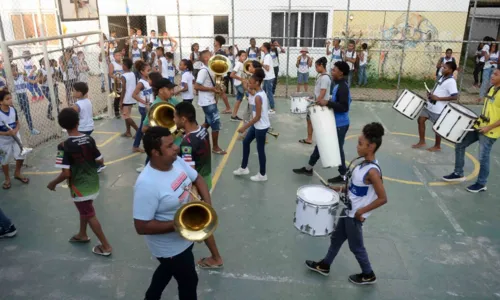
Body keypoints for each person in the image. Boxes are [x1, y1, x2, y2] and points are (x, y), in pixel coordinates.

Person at [133, 126, 213, 300]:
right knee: (189, 282)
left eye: (174, 142)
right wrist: (182, 223)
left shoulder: (175, 160)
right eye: (169, 146)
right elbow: (141, 226)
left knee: (166, 271)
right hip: (170, 248)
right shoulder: (146, 185)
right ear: (155, 152)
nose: (176, 147)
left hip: (186, 237)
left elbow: (197, 178)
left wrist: (207, 207)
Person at [305, 122, 387, 285]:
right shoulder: (362, 164)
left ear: (371, 147)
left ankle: (368, 274)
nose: (357, 147)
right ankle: (325, 265)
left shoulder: (372, 171)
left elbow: (382, 198)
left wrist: (361, 212)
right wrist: (338, 189)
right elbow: (355, 187)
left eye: (360, 144)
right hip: (348, 211)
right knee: (336, 238)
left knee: (356, 247)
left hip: (355, 215)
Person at [48, 107, 112, 257]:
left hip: (79, 187)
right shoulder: (89, 139)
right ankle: (82, 234)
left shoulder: (63, 146)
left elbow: (66, 173)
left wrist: (53, 183)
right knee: (85, 209)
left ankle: (106, 245)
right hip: (93, 182)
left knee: (89, 213)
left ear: (62, 126)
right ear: (78, 122)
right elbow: (100, 159)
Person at [174, 101, 224, 268]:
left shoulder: (187, 142)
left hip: (196, 185)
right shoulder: (202, 130)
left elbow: (190, 171)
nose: (173, 120)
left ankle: (216, 257)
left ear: (183, 119)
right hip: (207, 177)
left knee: (201, 222)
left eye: (175, 117)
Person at [293, 61, 352, 184]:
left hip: (340, 124)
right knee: (320, 144)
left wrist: (328, 103)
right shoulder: (338, 84)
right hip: (334, 122)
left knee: (338, 148)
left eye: (334, 70)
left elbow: (344, 107)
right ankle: (309, 168)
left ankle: (343, 175)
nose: (332, 71)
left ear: (341, 72)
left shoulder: (342, 87)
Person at [442, 67, 500, 193]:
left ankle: (481, 183)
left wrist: (488, 127)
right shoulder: (491, 89)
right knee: (460, 143)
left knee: (483, 158)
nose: (492, 76)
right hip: (479, 126)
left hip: (489, 132)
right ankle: (458, 172)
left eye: (495, 74)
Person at [412, 61, 458, 152]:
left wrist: (438, 98)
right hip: (430, 105)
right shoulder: (442, 77)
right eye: (443, 67)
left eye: (445, 68)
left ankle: (437, 146)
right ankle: (422, 141)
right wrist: (431, 94)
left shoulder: (451, 82)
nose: (442, 69)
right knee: (420, 120)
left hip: (438, 108)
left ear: (451, 70)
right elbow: (439, 89)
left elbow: (455, 96)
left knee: (437, 127)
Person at [233, 68, 270, 182]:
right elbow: (250, 90)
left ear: (257, 83)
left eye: (251, 82)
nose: (249, 83)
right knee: (245, 142)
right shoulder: (258, 92)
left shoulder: (259, 97)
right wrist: (246, 85)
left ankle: (262, 174)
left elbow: (257, 117)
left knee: (260, 150)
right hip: (257, 126)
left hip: (261, 127)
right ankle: (244, 168)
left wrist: (244, 127)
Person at [195, 50, 227, 155]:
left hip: (210, 100)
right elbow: (197, 86)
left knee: (208, 122)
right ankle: (215, 147)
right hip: (207, 101)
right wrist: (212, 89)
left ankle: (193, 136)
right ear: (206, 58)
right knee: (215, 124)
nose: (213, 56)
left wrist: (220, 88)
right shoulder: (203, 71)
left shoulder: (210, 69)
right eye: (210, 55)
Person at [71, 82, 106, 173]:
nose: (72, 92)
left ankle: (96, 164)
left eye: (74, 91)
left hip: (82, 128)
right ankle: (96, 163)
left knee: (83, 148)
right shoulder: (87, 100)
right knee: (85, 146)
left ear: (79, 93)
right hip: (89, 126)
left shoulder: (77, 105)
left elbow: (72, 116)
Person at [0, 90, 30, 190]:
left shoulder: (13, 110)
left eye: (10, 98)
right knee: (5, 159)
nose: (10, 100)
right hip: (3, 140)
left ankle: (17, 173)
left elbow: (17, 123)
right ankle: (7, 178)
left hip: (15, 137)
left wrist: (16, 130)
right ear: (1, 101)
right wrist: (6, 133)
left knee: (21, 154)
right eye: (7, 99)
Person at [299, 57, 331, 145]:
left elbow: (323, 91)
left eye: (316, 67)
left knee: (316, 122)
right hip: (317, 101)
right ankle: (309, 138)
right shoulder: (321, 76)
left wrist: (316, 102)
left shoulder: (325, 78)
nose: (315, 68)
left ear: (321, 66)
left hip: (320, 103)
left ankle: (317, 139)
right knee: (309, 120)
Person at [132, 61, 152, 153]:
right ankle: (136, 145)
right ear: (142, 72)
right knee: (144, 127)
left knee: (142, 127)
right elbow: (134, 95)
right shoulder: (141, 83)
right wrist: (144, 102)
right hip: (144, 108)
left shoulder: (148, 81)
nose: (149, 72)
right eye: (148, 70)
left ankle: (136, 145)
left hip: (149, 107)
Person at [120, 58, 138, 138]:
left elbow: (123, 89)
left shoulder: (123, 76)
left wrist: (121, 101)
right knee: (127, 115)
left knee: (126, 116)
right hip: (132, 97)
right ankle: (128, 131)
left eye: (123, 64)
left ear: (125, 66)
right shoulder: (132, 74)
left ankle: (138, 131)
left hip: (126, 98)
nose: (122, 66)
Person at [261, 42, 276, 114]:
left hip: (269, 78)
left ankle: (272, 109)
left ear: (265, 48)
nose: (260, 47)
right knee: (263, 92)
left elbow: (267, 68)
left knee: (269, 93)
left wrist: (261, 64)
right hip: (267, 77)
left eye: (262, 46)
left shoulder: (267, 56)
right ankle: (263, 106)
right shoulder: (265, 55)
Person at [109, 48, 124, 118]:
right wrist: (116, 78)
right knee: (117, 98)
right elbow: (110, 74)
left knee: (122, 97)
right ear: (114, 57)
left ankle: (122, 109)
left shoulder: (122, 63)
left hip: (122, 82)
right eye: (117, 55)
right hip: (116, 83)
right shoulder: (112, 64)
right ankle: (116, 112)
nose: (119, 56)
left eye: (119, 55)